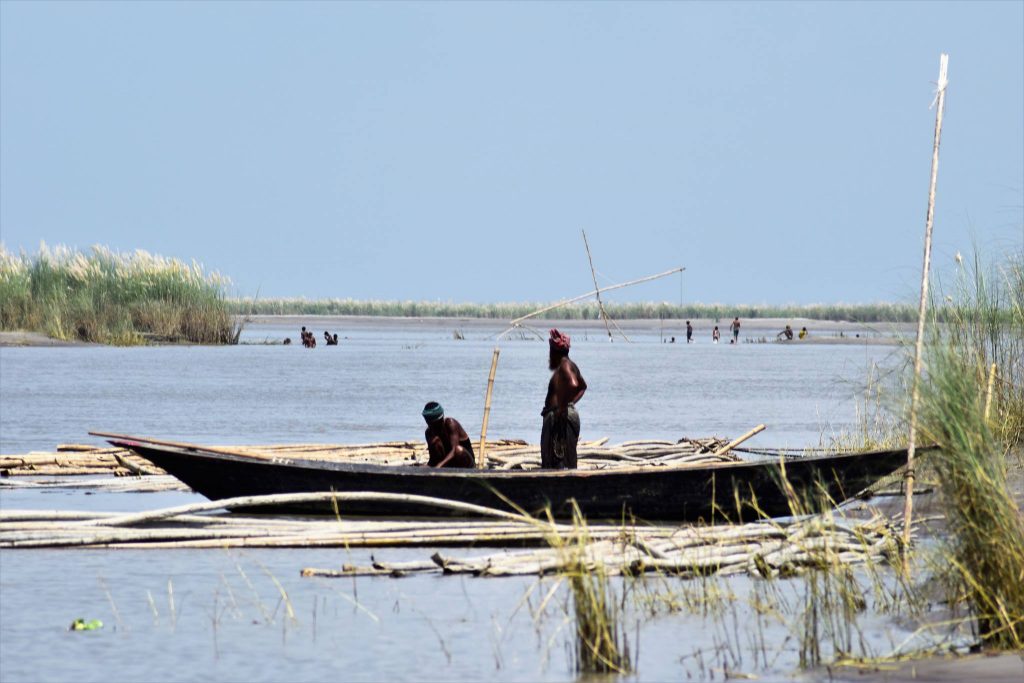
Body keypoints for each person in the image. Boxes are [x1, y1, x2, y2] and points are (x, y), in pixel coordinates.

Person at [541, 329, 587, 470]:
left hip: (561, 416)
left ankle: (564, 484)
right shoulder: (569, 365)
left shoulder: (565, 366)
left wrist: (562, 406)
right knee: (565, 455)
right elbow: (582, 387)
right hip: (560, 413)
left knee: (557, 455)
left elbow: (574, 385)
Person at [421, 402, 475, 468]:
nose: (430, 426)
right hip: (448, 464)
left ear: (440, 420)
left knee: (458, 450)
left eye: (433, 424)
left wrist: (439, 466)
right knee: (435, 441)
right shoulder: (429, 433)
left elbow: (454, 450)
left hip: (466, 463)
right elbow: (433, 458)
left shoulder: (450, 424)